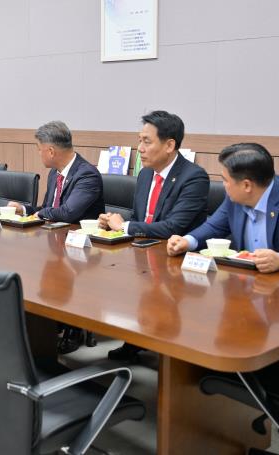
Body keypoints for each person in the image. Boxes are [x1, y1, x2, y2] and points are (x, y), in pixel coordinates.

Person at [100, 111, 209, 362]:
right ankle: (137, 337)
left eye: (147, 142)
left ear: (170, 145)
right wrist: (112, 225)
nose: (139, 149)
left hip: (176, 261)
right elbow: (142, 219)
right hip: (143, 254)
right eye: (139, 141)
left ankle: (170, 350)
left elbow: (174, 226)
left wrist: (125, 227)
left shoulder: (194, 177)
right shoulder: (146, 174)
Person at [167, 142, 279, 272]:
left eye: (225, 180)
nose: (223, 186)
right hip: (246, 287)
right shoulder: (235, 200)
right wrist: (187, 241)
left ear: (246, 185)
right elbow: (214, 226)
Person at [8, 120, 104, 223]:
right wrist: (23, 209)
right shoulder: (54, 173)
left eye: (39, 149)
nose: (39, 153)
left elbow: (68, 212)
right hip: (54, 234)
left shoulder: (87, 175)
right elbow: (47, 208)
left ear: (51, 152)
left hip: (76, 236)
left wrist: (41, 213)